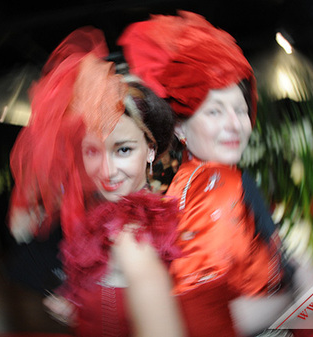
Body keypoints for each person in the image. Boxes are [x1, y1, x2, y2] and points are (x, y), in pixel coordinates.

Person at [119, 11, 294, 337]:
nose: (234, 123)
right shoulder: (222, 184)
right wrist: (294, 295)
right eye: (215, 111)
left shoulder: (184, 182)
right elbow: (205, 317)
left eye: (240, 110)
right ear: (181, 127)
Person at [8, 27, 184, 337]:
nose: (106, 170)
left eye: (123, 149)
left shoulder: (132, 233)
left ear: (150, 150)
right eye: (93, 150)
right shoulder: (107, 217)